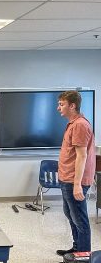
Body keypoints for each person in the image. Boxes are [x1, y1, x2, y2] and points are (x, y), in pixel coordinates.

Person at [56, 90, 95, 256]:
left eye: (62, 104)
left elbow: (82, 155)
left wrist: (77, 185)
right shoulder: (73, 123)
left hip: (74, 180)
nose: (58, 108)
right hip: (67, 178)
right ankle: (77, 248)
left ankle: (83, 256)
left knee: (80, 220)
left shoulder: (80, 125)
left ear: (72, 106)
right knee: (70, 214)